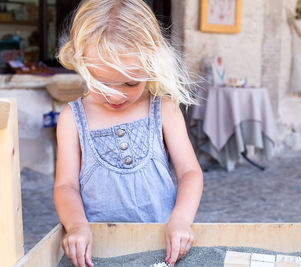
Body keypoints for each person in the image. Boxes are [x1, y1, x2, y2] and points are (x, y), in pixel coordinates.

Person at [54, 1, 203, 267]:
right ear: (81, 63)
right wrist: (76, 226)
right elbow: (66, 186)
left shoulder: (164, 110)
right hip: (100, 253)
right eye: (100, 82)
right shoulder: (72, 119)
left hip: (161, 251)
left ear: (153, 63)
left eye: (130, 82)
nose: (115, 94)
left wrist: (180, 220)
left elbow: (189, 173)